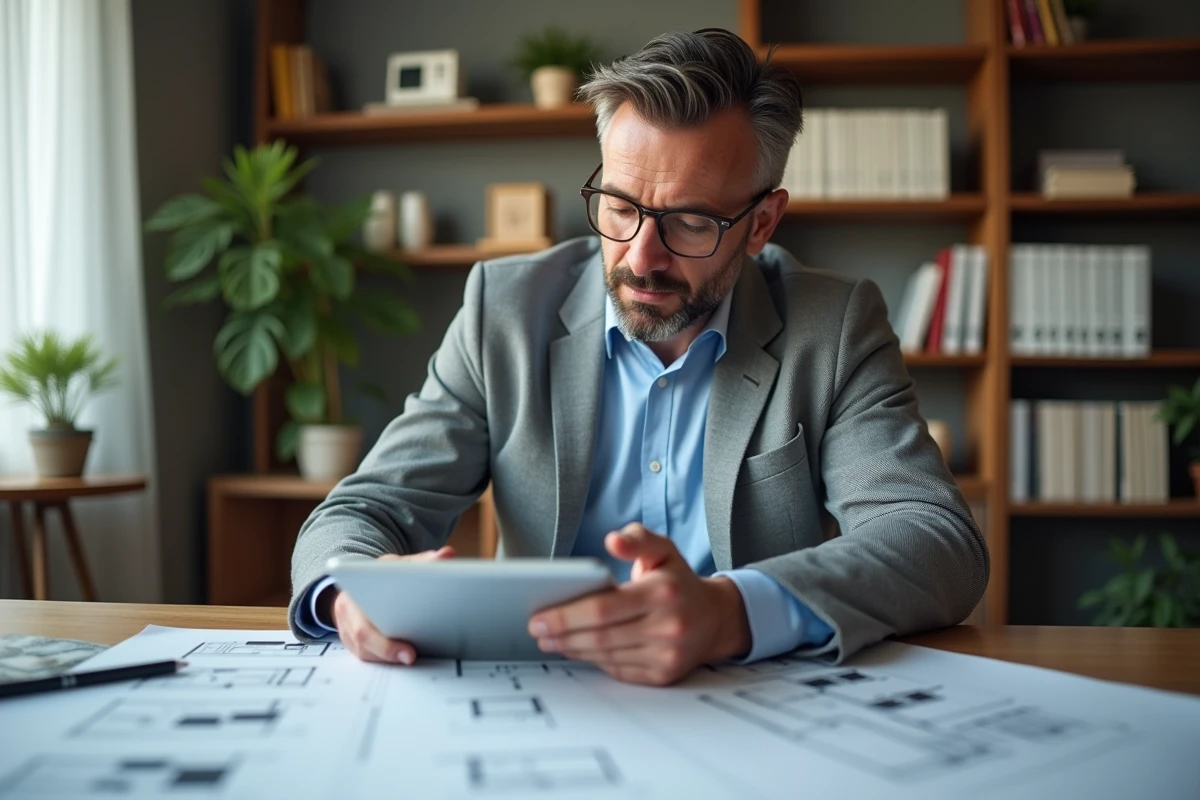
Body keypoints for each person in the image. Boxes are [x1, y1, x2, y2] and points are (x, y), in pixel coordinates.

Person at [288, 28, 988, 686]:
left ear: (761, 224)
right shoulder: (504, 311)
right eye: (620, 208)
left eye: (691, 221)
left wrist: (731, 612)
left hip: (746, 701)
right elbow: (364, 509)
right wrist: (349, 588)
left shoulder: (831, 326)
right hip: (534, 692)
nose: (640, 258)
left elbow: (934, 539)